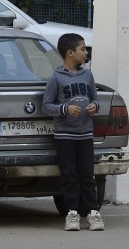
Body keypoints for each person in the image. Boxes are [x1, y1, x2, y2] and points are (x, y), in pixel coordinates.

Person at [42, 32, 104, 232]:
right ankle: (72, 213)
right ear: (70, 53)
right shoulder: (56, 77)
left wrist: (95, 106)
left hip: (85, 134)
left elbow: (95, 99)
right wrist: (65, 109)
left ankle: (93, 213)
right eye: (83, 49)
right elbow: (46, 106)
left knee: (87, 174)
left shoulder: (88, 75)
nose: (86, 53)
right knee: (69, 175)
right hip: (65, 136)